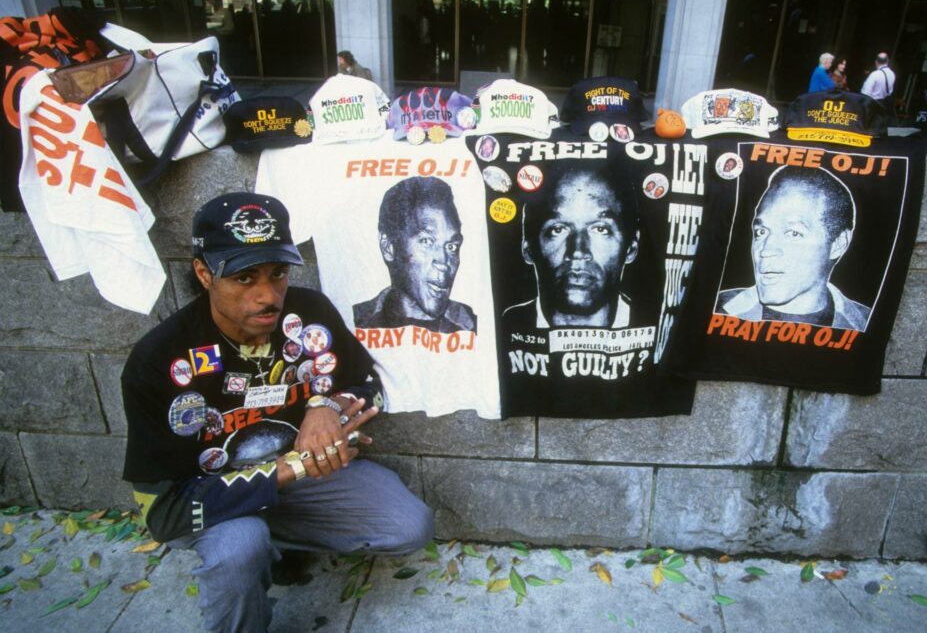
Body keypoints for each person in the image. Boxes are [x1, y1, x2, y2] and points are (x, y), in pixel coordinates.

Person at [121, 192, 432, 632]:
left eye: (278, 273)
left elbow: (367, 385)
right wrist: (290, 469)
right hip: (218, 496)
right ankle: (257, 548)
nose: (269, 296)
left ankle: (279, 537)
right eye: (245, 278)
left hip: (302, 482)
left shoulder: (310, 314)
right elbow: (163, 513)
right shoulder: (159, 359)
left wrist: (326, 405)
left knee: (408, 525)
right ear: (204, 273)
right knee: (238, 547)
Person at [716, 166, 870, 331]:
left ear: (838, 244)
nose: (766, 250)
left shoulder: (866, 322)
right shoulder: (718, 306)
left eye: (793, 233)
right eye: (761, 232)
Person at [506, 164, 640, 328]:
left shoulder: (658, 327)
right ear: (528, 249)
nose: (577, 252)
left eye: (600, 229)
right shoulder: (497, 327)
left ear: (631, 248)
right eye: (558, 229)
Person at [354, 177, 477, 332]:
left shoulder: (475, 326)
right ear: (388, 247)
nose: (444, 262)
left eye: (451, 246)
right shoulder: (352, 322)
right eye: (427, 241)